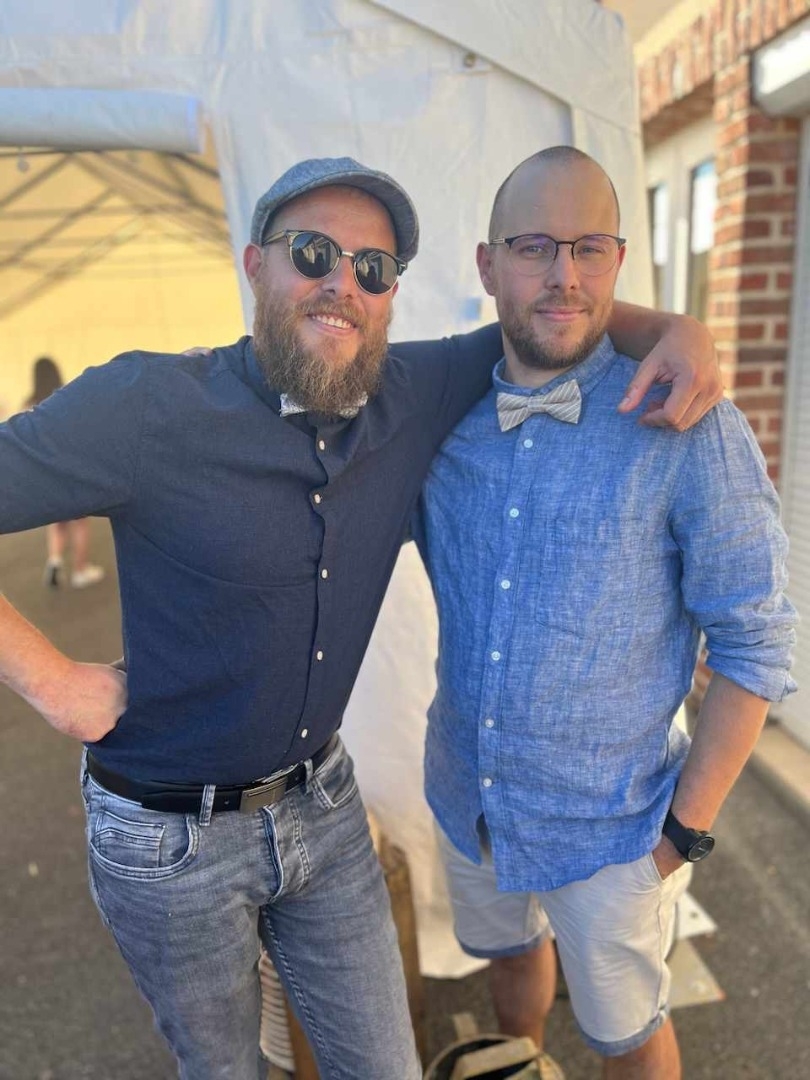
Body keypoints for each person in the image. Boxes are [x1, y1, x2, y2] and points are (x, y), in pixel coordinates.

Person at [0, 156, 722, 1080]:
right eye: (314, 253)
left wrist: (676, 329)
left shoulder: (407, 393)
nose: (343, 283)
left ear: (389, 298)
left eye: (373, 269)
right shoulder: (146, 405)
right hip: (169, 836)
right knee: (225, 1070)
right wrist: (52, 683)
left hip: (323, 803)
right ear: (255, 265)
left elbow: (545, 311)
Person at [415, 147, 797, 1080]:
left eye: (590, 247)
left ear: (619, 260)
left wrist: (680, 839)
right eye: (535, 247)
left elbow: (755, 643)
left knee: (628, 1031)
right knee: (511, 953)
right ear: (487, 264)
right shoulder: (435, 417)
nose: (565, 275)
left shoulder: (689, 422)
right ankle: (525, 1063)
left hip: (614, 832)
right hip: (471, 793)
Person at [24, 356, 105, 589]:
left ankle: (55, 561)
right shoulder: (65, 398)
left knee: (57, 522)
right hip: (68, 472)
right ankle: (80, 570)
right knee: (80, 523)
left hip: (44, 476)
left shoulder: (28, 404)